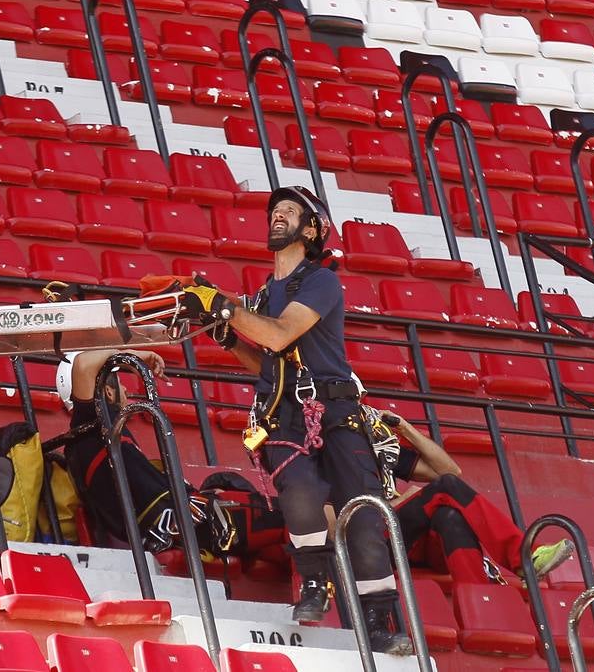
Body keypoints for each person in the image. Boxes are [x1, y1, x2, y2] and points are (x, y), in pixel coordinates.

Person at [180, 186, 413, 655]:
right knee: (300, 492)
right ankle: (315, 581)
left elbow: (283, 333)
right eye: (275, 211)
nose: (277, 216)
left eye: (289, 212)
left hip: (338, 410)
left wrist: (225, 307)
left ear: (311, 230)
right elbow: (267, 359)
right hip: (283, 412)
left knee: (364, 517)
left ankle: (380, 619)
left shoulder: (321, 281)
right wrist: (229, 336)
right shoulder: (264, 294)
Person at [56, 348, 238, 558]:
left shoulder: (91, 433)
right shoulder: (92, 422)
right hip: (167, 531)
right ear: (107, 391)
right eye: (118, 381)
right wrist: (133, 355)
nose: (125, 388)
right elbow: (84, 365)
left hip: (162, 531)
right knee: (264, 513)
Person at [365, 405, 575, 585]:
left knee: (450, 516)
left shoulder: (377, 448)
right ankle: (524, 557)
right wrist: (400, 501)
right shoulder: (335, 454)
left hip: (412, 540)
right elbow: (336, 521)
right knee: (444, 487)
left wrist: (405, 428)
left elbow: (449, 471)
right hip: (371, 540)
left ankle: (482, 604)